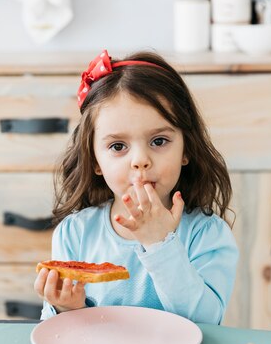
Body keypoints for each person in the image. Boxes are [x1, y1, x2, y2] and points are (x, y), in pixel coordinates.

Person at [35, 49, 238, 323]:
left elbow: (206, 322)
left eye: (159, 141)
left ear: (186, 149)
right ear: (95, 160)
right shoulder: (74, 233)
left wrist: (160, 245)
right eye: (118, 146)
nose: (140, 160)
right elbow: (56, 331)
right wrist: (66, 309)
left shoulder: (208, 235)